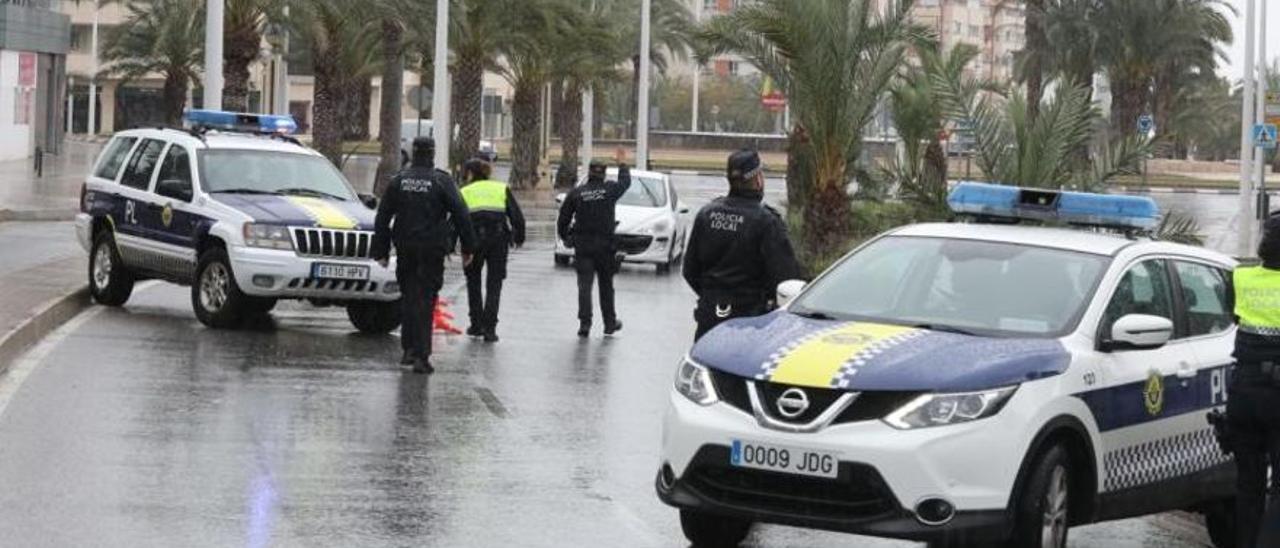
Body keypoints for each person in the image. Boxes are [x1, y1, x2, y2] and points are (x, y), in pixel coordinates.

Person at [372, 137, 476, 374]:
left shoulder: (399, 181)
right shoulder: (441, 181)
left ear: (413, 153)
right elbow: (461, 214)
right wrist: (468, 248)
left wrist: (381, 250)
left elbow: (383, 216)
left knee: (408, 297)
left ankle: (408, 350)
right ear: (432, 154)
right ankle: (421, 355)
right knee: (426, 299)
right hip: (432, 249)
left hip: (405, 247)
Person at [683, 149, 803, 341]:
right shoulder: (766, 222)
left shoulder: (706, 214)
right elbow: (785, 279)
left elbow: (689, 270)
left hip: (709, 319)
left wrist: (714, 296)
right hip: (751, 323)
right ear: (757, 179)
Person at [1229, 213, 1280, 548]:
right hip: (1277, 395)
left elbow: (1234, 316)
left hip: (1243, 392)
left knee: (1248, 483)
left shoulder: (1241, 277)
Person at [557, 151, 631, 337]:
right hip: (605, 247)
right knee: (606, 286)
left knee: (584, 286)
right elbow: (625, 183)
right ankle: (609, 323)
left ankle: (585, 324)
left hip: (583, 246)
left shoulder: (577, 193)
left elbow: (563, 218)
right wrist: (622, 164)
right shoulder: (610, 190)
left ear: (589, 172)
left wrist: (566, 237)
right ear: (604, 173)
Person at [459, 158, 525, 343]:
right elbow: (517, 216)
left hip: (473, 241)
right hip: (499, 241)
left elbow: (457, 220)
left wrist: (451, 244)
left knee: (473, 282)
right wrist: (519, 237)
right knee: (494, 284)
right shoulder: (500, 188)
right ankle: (490, 329)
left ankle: (476, 324)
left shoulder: (464, 192)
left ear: (470, 173)